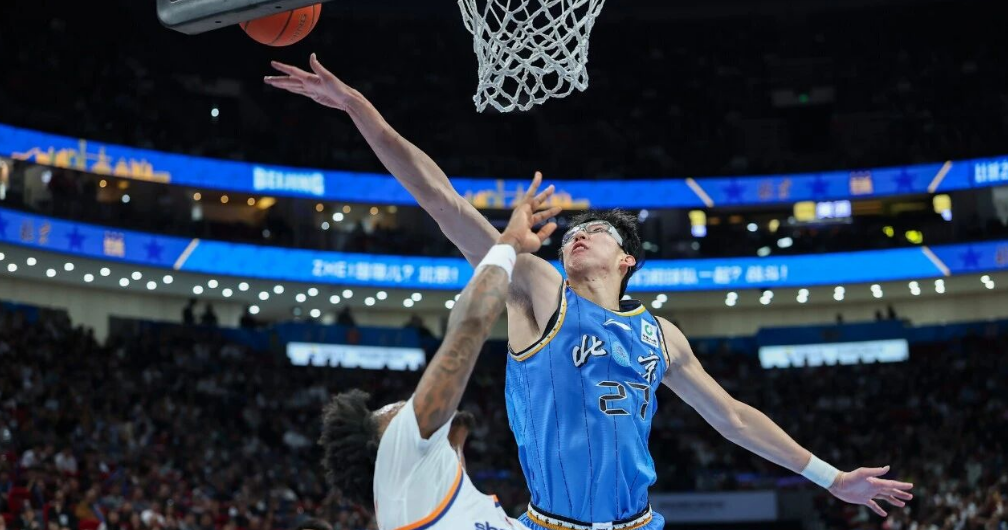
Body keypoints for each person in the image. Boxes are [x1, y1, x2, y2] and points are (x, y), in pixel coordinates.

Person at [267, 55, 915, 529]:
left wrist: (832, 477)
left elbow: (734, 418)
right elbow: (442, 202)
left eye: (595, 231)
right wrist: (358, 108)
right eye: (572, 232)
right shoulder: (538, 289)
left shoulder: (661, 337)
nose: (577, 235)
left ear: (627, 260)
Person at [317, 178, 558, 530]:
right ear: (386, 449)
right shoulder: (399, 466)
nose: (411, 406)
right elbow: (470, 325)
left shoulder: (487, 514)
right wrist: (509, 243)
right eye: (399, 412)